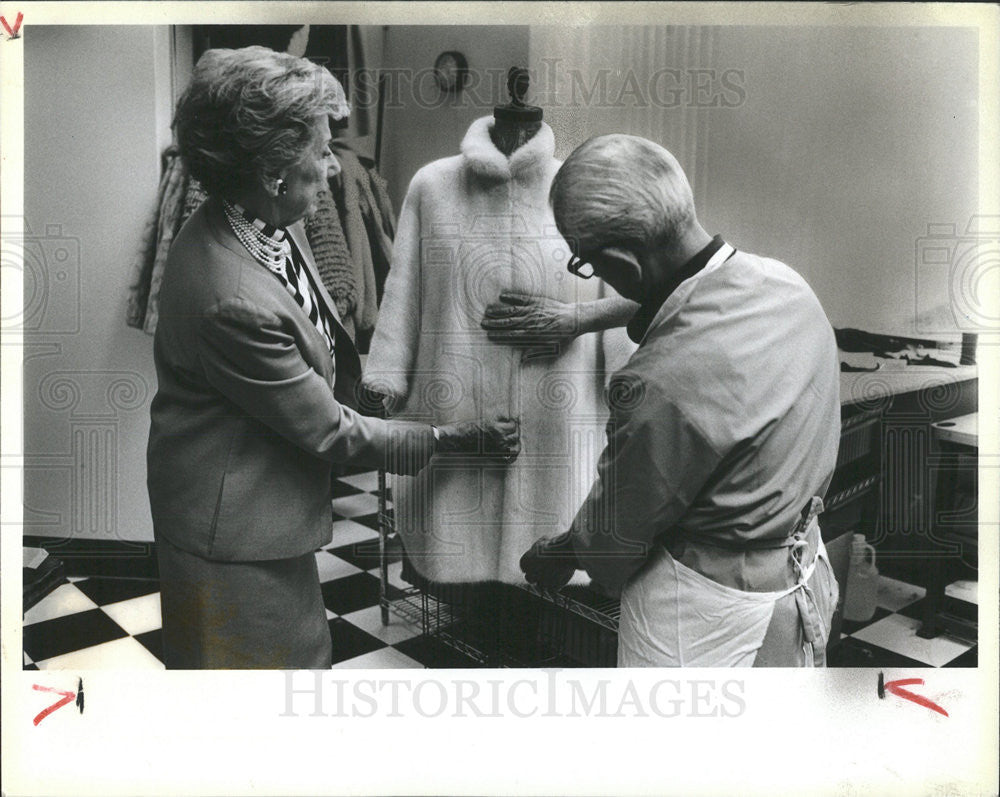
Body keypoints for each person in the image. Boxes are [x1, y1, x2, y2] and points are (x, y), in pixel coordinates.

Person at [148, 47, 519, 669]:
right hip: (230, 533)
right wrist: (453, 438)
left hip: (242, 507)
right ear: (272, 167)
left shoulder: (250, 221)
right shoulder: (232, 299)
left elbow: (314, 336)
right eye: (321, 152)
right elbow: (332, 434)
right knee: (267, 695)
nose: (333, 169)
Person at [519, 134, 840, 667]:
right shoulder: (789, 286)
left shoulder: (657, 382)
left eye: (587, 264)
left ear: (623, 260)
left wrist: (565, 550)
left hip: (706, 618)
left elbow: (615, 544)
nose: (594, 276)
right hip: (799, 576)